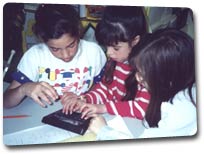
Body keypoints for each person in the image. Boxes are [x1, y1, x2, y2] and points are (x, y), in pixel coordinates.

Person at [88, 28, 197, 140]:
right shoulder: (173, 88)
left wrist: (104, 131)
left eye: (142, 74)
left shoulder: (182, 112)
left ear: (167, 77)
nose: (137, 78)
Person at [3, 4, 106, 108]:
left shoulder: (94, 52)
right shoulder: (35, 56)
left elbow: (104, 87)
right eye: (55, 49)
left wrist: (85, 97)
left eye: (71, 45)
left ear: (78, 33)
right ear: (44, 41)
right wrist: (23, 89)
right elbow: (5, 102)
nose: (66, 55)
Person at [61, 6, 150, 120]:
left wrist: (103, 108)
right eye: (106, 46)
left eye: (116, 48)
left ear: (135, 41)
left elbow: (142, 109)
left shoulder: (147, 69)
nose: (109, 53)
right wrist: (86, 99)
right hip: (117, 119)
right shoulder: (117, 60)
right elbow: (105, 88)